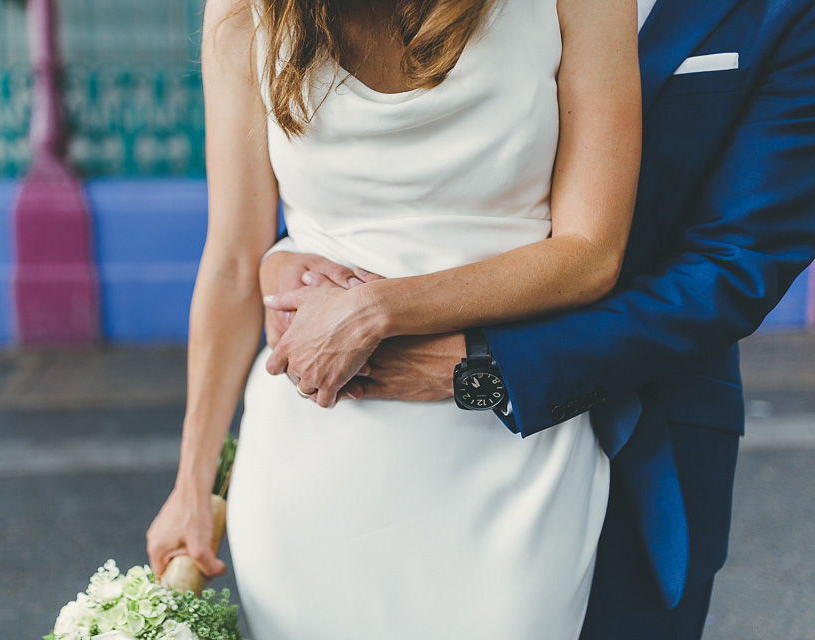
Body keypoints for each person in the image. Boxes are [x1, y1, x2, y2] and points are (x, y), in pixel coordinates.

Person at [258, 0, 815, 638]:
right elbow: (399, 156)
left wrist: (491, 367)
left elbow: (734, 264)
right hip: (365, 432)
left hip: (646, 436)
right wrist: (284, 260)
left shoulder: (786, 12)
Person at [147, 0, 643, 637]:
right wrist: (191, 482)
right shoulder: (247, 10)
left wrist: (375, 310)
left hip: (508, 449)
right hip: (313, 453)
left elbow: (590, 255)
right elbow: (233, 262)